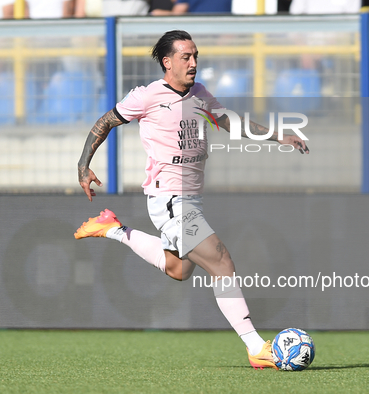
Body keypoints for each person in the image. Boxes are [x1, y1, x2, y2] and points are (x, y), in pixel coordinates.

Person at [74, 30, 309, 370]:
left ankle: (112, 229)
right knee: (220, 260)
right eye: (186, 57)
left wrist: (277, 135)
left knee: (179, 269)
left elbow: (228, 121)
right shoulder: (147, 96)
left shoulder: (199, 93)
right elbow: (105, 122)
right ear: (167, 62)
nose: (194, 63)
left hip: (191, 199)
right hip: (169, 198)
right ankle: (256, 347)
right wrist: (84, 166)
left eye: (196, 56)